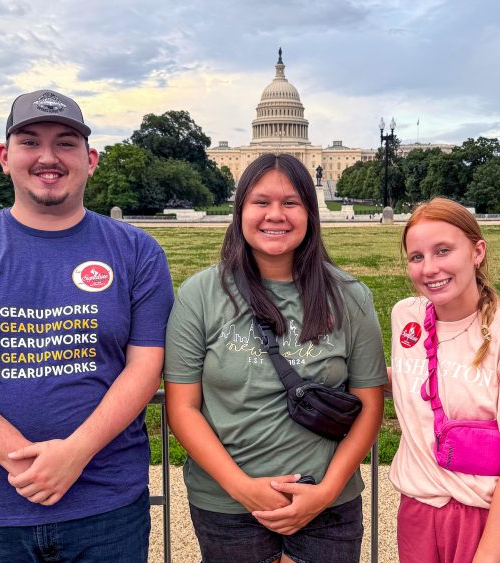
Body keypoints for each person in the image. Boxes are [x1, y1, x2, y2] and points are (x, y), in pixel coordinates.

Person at [0, 89, 173, 562]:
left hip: (107, 506)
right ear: (5, 157)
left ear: (90, 159)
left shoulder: (138, 252)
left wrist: (75, 454)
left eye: (66, 143)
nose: (48, 157)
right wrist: (22, 460)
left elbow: (146, 367)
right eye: (30, 142)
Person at [164, 153, 387, 563]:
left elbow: (371, 404)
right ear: (241, 210)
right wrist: (241, 487)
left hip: (327, 505)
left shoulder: (350, 296)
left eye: (290, 203)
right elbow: (182, 407)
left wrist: (325, 492)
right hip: (227, 505)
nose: (275, 215)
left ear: (309, 211)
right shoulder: (199, 294)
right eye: (261, 202)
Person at [389, 197, 500, 563]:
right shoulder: (405, 316)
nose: (430, 268)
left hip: (491, 515)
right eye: (417, 257)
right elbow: (415, 380)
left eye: (443, 251)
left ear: (477, 251)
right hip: (420, 509)